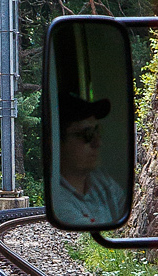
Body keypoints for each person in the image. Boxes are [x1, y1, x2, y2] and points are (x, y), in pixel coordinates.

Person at [54, 91, 128, 226]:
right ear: (57, 142)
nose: (98, 143)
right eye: (87, 134)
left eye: (97, 132)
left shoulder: (102, 182)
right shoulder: (58, 201)